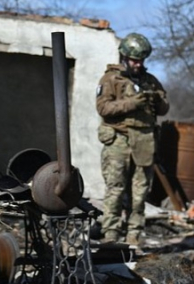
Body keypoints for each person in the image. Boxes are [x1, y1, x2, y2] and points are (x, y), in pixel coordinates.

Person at [96, 33, 169, 245]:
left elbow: (164, 109)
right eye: (135, 60)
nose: (138, 64)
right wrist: (132, 103)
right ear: (125, 57)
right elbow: (103, 108)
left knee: (140, 192)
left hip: (144, 141)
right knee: (116, 188)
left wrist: (156, 98)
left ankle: (134, 235)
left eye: (141, 60)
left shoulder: (150, 81)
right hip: (119, 139)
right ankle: (111, 234)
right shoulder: (111, 79)